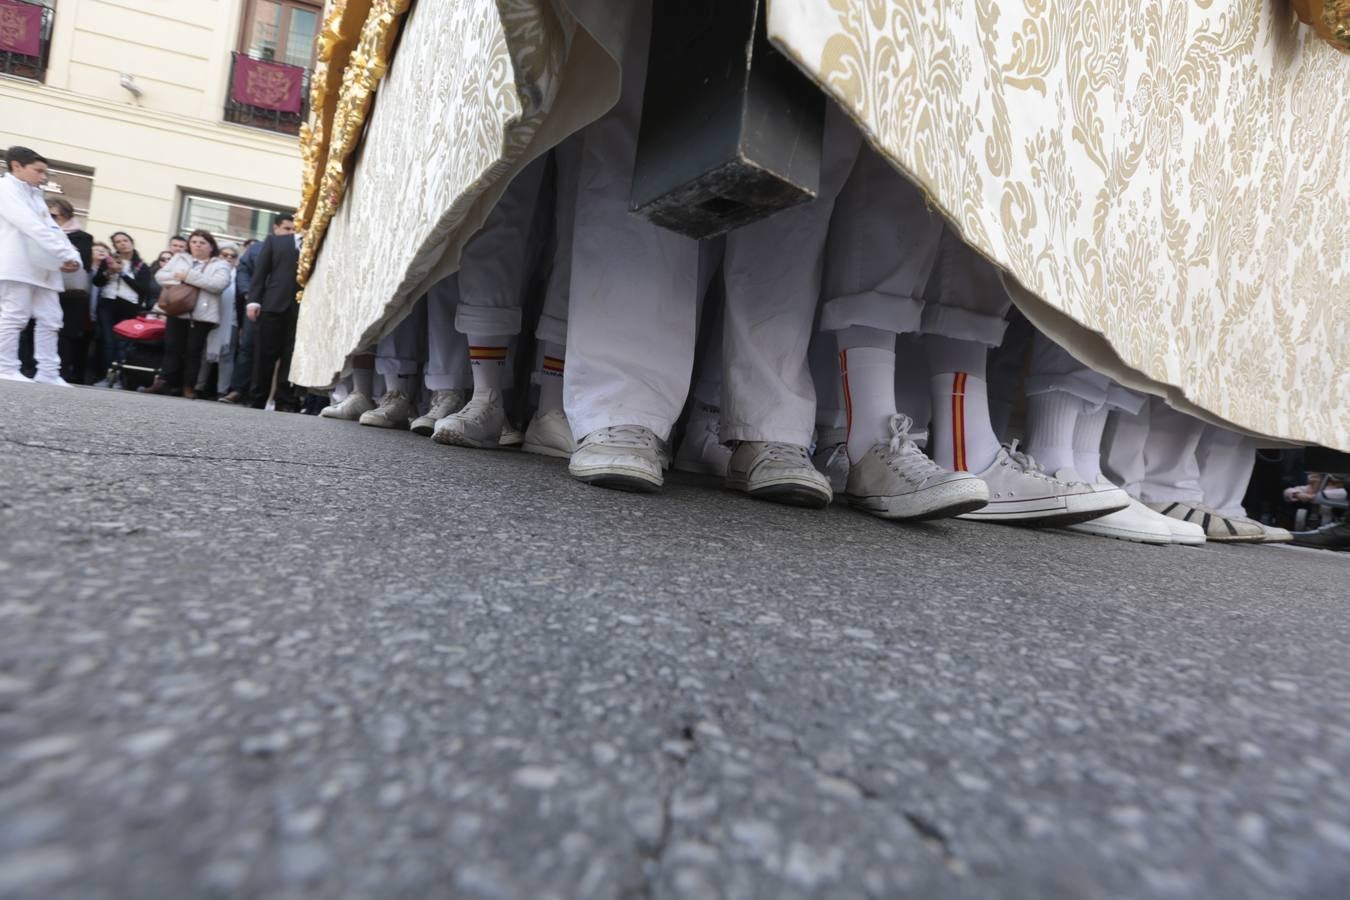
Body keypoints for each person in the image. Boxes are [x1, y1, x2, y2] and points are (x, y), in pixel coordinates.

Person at [0, 146, 82, 384]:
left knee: (52, 318)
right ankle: (5, 367)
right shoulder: (5, 189)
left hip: (45, 267)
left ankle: (48, 371)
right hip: (17, 264)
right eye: (38, 171)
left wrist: (72, 256)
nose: (43, 177)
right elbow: (30, 226)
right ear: (16, 166)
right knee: (15, 316)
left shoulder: (34, 195)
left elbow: (53, 230)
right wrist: (62, 255)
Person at [220, 218, 293, 405]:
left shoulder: (302, 246)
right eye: (287, 228)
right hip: (262, 305)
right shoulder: (258, 248)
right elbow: (247, 272)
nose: (291, 232)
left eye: (294, 228)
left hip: (286, 306)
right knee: (249, 349)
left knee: (284, 352)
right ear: (275, 227)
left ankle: (281, 398)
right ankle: (239, 389)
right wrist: (250, 297)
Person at [149, 229, 230, 397]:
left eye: (202, 243)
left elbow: (218, 285)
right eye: (194, 242)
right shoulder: (179, 258)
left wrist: (188, 276)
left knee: (193, 351)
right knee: (172, 347)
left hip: (202, 315)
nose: (197, 245)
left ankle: (189, 386)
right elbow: (161, 276)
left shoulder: (220, 264)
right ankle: (165, 382)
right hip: (177, 309)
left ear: (211, 247)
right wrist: (183, 278)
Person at [245, 218, 302, 411]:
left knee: (291, 356)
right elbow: (260, 272)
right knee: (264, 355)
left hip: (302, 309)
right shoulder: (276, 241)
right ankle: (257, 398)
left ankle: (285, 401)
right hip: (273, 305)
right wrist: (254, 300)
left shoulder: (321, 243)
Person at [45, 198, 95, 384]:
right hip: (45, 287)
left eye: (54, 216)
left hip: (71, 292)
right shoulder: (42, 232)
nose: (50, 219)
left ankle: (60, 371)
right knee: (36, 328)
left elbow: (82, 263)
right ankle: (32, 368)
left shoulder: (83, 237)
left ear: (66, 215)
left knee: (65, 334)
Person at [92, 230, 152, 384]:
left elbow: (143, 289)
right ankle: (106, 376)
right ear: (114, 246)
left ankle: (121, 378)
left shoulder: (141, 265)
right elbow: (97, 282)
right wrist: (109, 272)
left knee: (123, 344)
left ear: (131, 242)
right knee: (108, 342)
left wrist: (123, 274)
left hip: (128, 306)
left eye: (125, 240)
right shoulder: (108, 261)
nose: (122, 244)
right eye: (118, 242)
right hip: (108, 303)